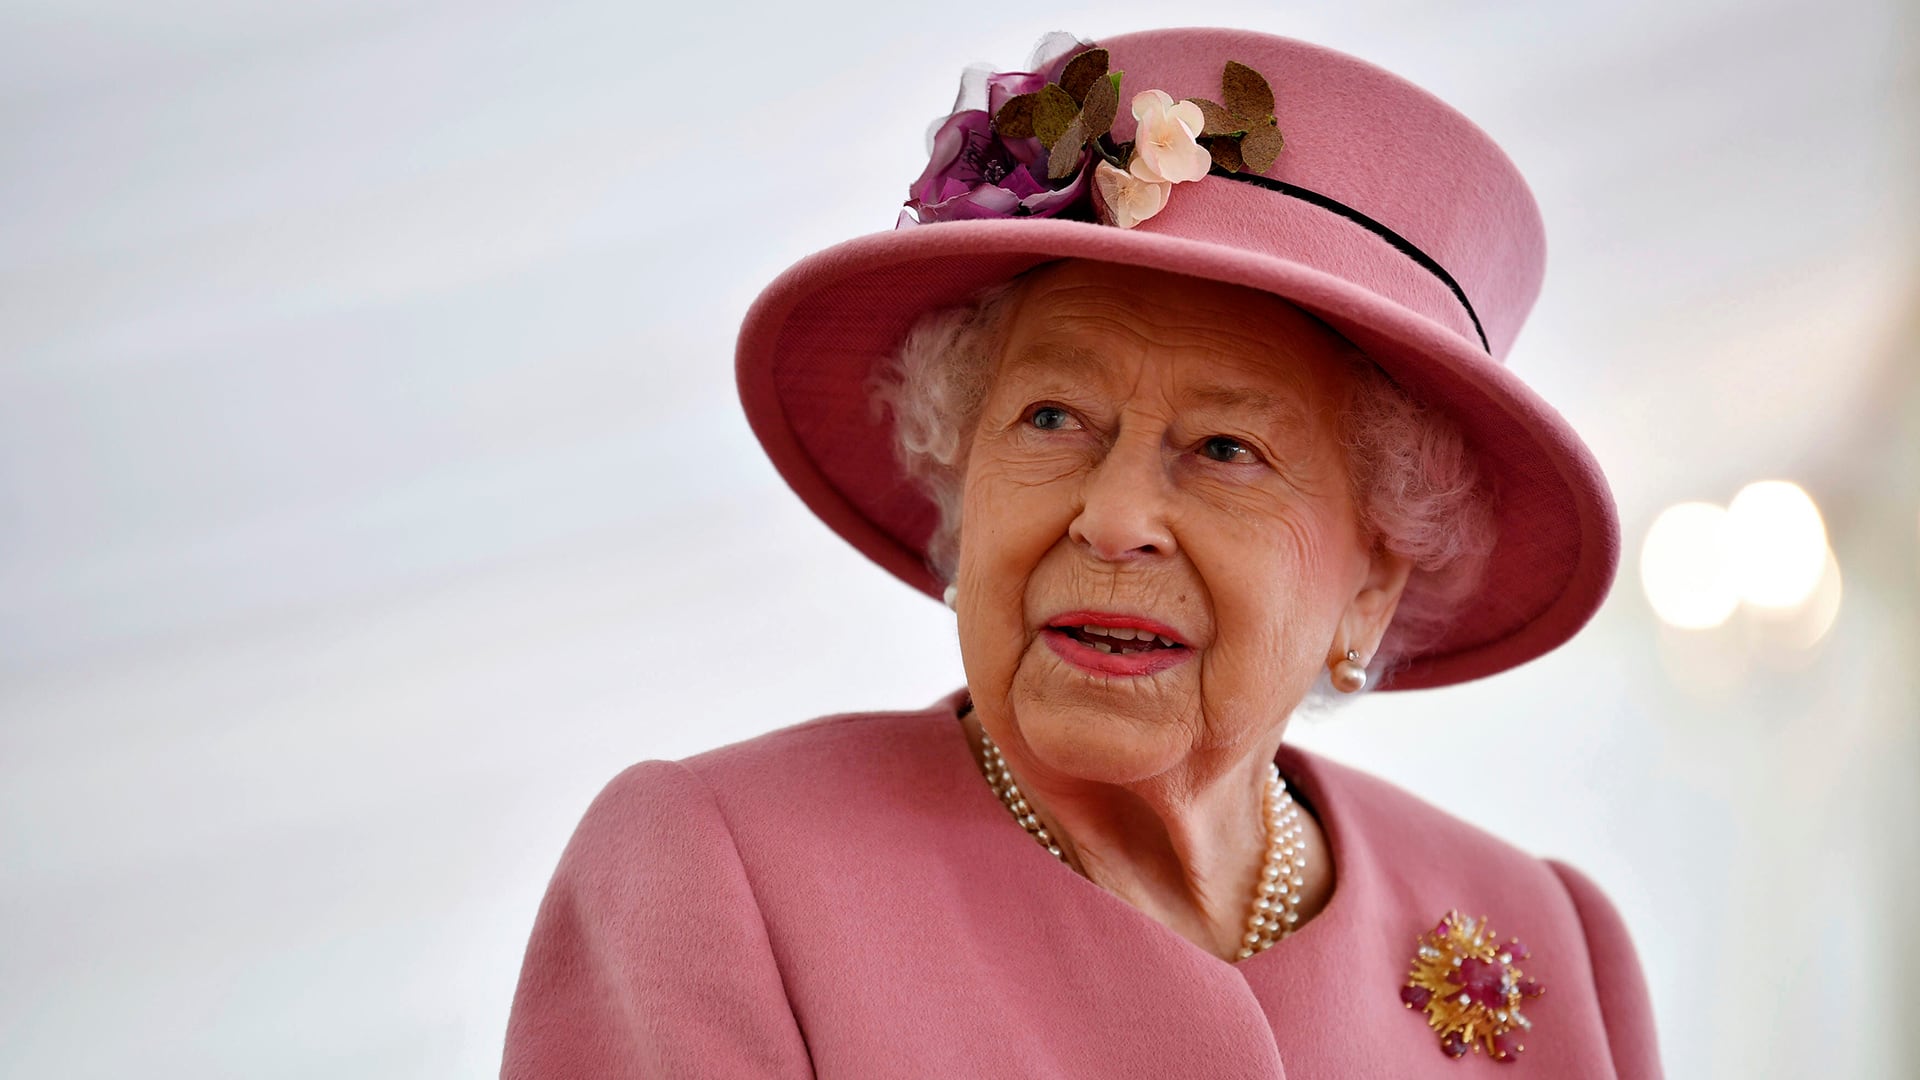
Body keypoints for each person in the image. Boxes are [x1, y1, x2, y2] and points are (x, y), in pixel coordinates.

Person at [503, 27, 1662, 1078]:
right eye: (1052, 420)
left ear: (1373, 579)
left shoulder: (1546, 939)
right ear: (961, 484)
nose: (1112, 520)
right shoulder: (721, 874)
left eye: (1224, 447)